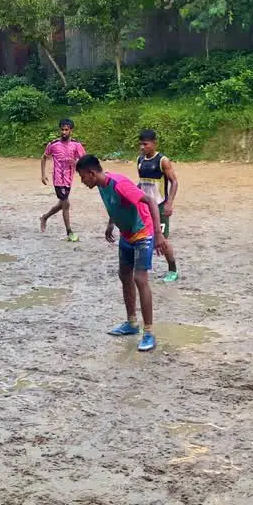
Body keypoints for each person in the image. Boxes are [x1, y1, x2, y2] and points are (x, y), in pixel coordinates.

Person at [76, 154, 166, 352]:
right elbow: (113, 205)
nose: (82, 182)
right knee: (124, 276)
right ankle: (132, 323)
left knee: (140, 279)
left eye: (82, 177)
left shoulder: (119, 184)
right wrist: (111, 224)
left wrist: (159, 235)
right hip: (126, 234)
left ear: (91, 173)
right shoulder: (100, 184)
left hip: (143, 232)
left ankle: (149, 332)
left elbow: (150, 201)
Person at [138, 129, 181, 283]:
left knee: (162, 240)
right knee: (141, 237)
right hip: (144, 207)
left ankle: (173, 270)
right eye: (140, 144)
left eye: (145, 144)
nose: (142, 147)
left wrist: (169, 203)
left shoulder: (163, 161)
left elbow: (174, 181)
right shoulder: (140, 160)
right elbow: (142, 183)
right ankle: (141, 268)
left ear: (154, 143)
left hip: (160, 206)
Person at [40, 119, 87, 242]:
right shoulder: (53, 144)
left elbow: (85, 161)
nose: (64, 132)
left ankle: (45, 217)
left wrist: (76, 163)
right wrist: (43, 174)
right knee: (66, 204)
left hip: (69, 179)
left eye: (66, 130)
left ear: (71, 130)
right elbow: (44, 157)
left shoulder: (76, 145)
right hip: (58, 179)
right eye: (62, 129)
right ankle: (69, 232)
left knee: (62, 203)